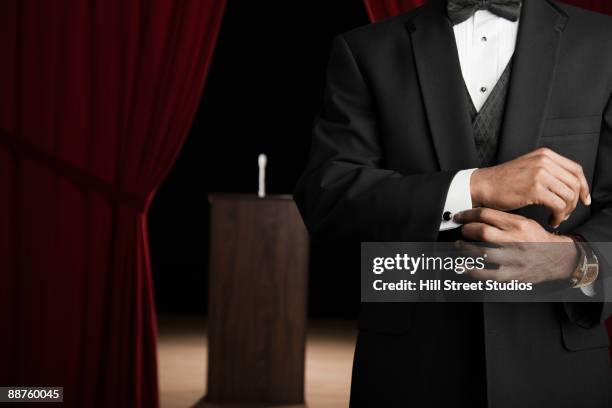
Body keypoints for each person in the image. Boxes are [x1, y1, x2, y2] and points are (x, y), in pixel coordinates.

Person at [294, 0, 612, 406]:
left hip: (556, 371)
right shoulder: (365, 50)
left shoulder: (603, 43)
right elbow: (328, 198)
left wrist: (568, 260)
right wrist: (476, 186)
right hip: (410, 369)